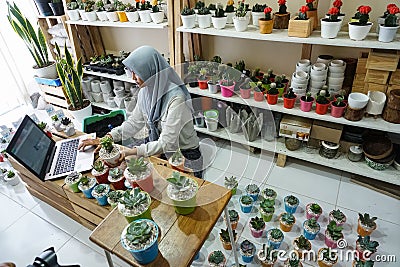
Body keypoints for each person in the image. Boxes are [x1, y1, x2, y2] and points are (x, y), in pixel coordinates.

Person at [79, 46, 203, 178]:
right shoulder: (146, 91)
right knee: (124, 172)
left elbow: (167, 143)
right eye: (131, 72)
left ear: (151, 70)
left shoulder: (176, 99)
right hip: (158, 144)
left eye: (137, 72)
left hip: (185, 152)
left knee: (178, 188)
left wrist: (130, 151)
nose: (133, 77)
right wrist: (108, 138)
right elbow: (134, 122)